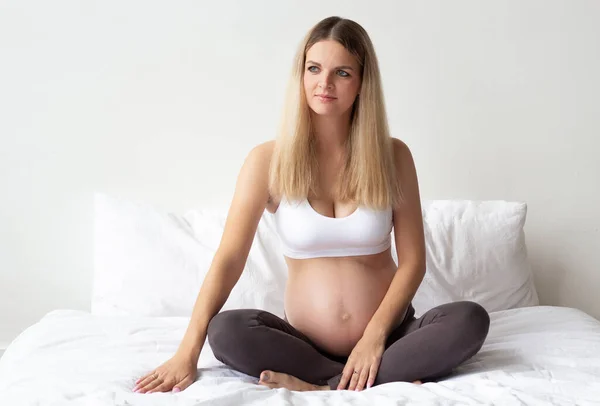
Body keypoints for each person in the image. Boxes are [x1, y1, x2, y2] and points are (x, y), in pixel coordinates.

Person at [133, 16, 490, 394]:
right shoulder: (267, 161)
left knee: (469, 319)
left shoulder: (393, 156)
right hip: (302, 347)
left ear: (362, 83)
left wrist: (373, 337)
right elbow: (229, 259)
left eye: (343, 72)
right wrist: (187, 351)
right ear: (300, 75)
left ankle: (322, 386)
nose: (325, 83)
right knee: (226, 331)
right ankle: (362, 381)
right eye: (314, 68)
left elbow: (414, 262)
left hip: (389, 338)